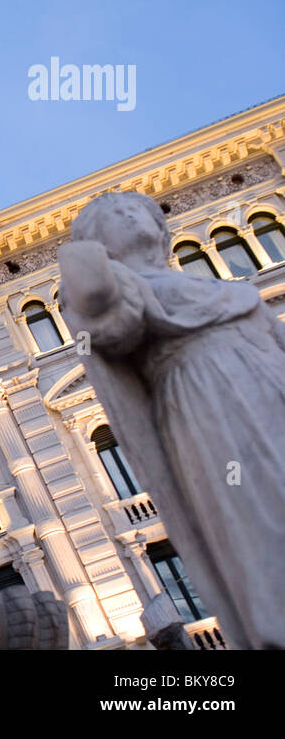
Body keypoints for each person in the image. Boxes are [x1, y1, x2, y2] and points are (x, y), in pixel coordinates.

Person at [59, 190, 285, 649]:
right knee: (256, 508)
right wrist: (81, 258)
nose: (127, 213)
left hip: (271, 384)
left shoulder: (224, 289)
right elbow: (100, 316)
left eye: (136, 208)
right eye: (113, 216)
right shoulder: (126, 294)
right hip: (209, 401)